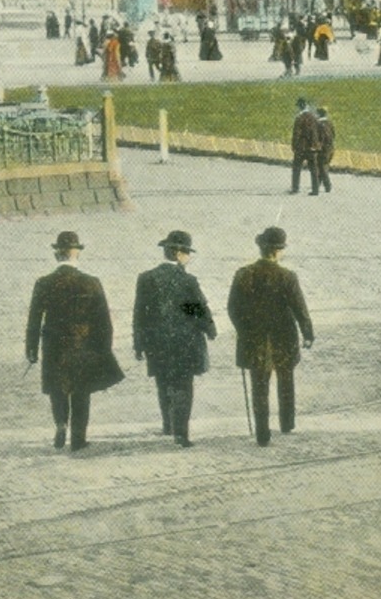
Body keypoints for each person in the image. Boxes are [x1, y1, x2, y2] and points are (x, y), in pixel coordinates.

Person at [24, 231, 123, 451]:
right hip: (83, 345)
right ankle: (78, 439)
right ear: (76, 253)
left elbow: (34, 320)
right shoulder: (91, 283)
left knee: (57, 389)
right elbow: (104, 321)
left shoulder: (44, 283)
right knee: (81, 392)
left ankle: (60, 423)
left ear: (56, 255)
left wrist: (31, 349)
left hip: (53, 345)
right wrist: (103, 349)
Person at [226, 227, 315, 446]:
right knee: (286, 381)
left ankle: (262, 434)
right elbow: (299, 308)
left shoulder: (243, 274)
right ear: (278, 251)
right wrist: (308, 333)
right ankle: (286, 423)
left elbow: (232, 308)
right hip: (284, 338)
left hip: (254, 339)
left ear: (261, 248)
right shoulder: (287, 276)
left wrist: (243, 330)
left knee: (259, 385)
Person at [131, 230, 216, 447]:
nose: (188, 257)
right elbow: (197, 309)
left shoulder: (146, 278)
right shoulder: (187, 280)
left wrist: (139, 344)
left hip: (156, 341)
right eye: (187, 252)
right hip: (184, 342)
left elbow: (139, 313)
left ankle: (167, 425)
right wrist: (210, 329)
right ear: (178, 253)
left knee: (163, 381)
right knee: (183, 386)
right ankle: (181, 433)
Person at [290, 98, 321, 196]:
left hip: (301, 147)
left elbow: (296, 134)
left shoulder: (299, 118)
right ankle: (315, 190)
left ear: (300, 106)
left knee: (296, 168)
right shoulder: (314, 117)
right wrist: (316, 144)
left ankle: (295, 188)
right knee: (314, 169)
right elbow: (319, 131)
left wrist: (294, 146)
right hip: (312, 147)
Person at [313, 107, 335, 194]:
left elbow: (318, 138)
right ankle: (317, 185)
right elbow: (333, 135)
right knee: (323, 166)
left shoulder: (318, 125)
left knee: (321, 167)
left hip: (322, 149)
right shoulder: (330, 123)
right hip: (330, 148)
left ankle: (327, 185)